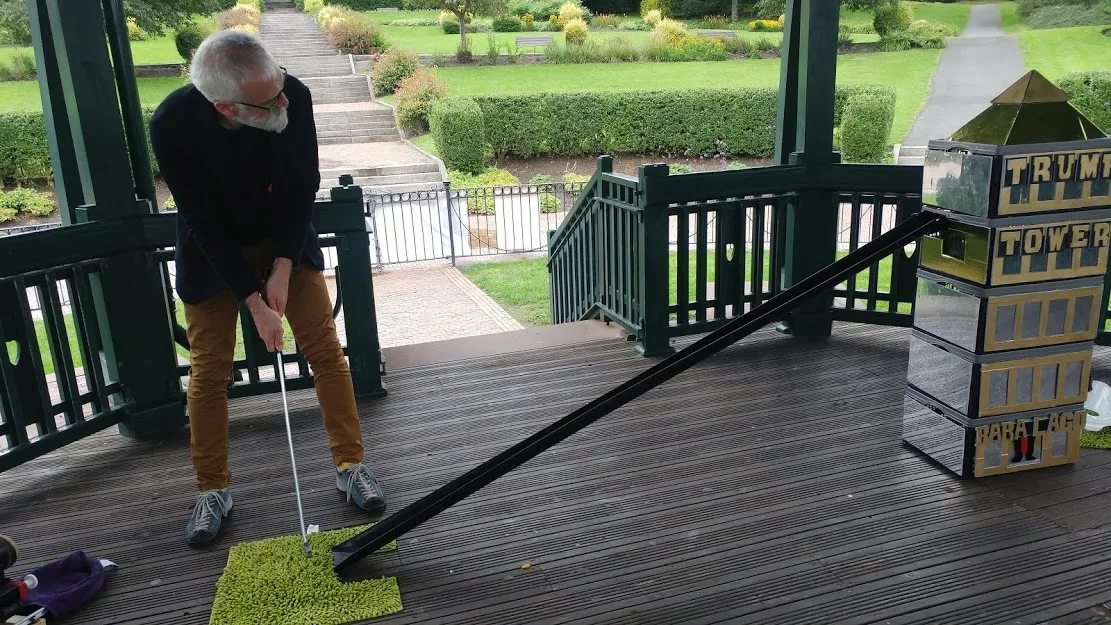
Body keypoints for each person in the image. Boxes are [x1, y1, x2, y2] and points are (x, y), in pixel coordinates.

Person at [149, 29, 386, 546]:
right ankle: (212, 490)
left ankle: (352, 465)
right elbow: (201, 221)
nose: (284, 101)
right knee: (209, 371)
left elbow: (304, 185)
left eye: (280, 87)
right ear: (227, 108)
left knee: (324, 349)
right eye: (268, 101)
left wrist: (280, 270)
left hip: (284, 236)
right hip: (214, 253)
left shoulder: (291, 95)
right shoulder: (172, 125)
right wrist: (252, 301)